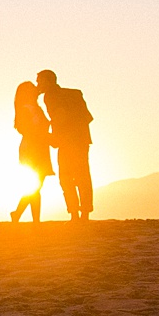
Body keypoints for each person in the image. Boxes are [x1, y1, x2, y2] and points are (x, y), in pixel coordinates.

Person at [37, 70, 94, 220]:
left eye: (39, 81)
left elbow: (59, 118)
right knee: (82, 176)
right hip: (81, 140)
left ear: (48, 81)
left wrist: (53, 136)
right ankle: (84, 214)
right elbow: (86, 117)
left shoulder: (50, 96)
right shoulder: (75, 93)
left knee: (67, 178)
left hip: (68, 141)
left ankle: (75, 213)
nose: (38, 84)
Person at [10, 81, 53, 222]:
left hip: (40, 147)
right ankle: (32, 219)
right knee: (36, 184)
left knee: (37, 185)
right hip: (31, 148)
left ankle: (19, 214)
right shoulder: (24, 109)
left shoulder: (36, 108)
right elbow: (25, 129)